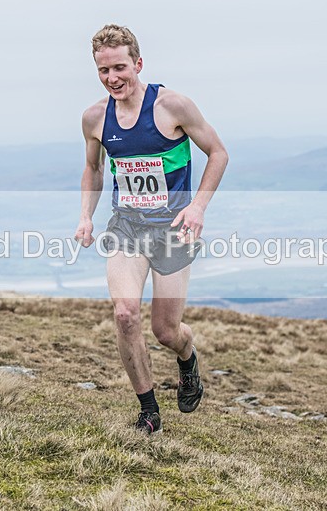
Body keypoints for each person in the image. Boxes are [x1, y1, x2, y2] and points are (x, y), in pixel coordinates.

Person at [74, 24, 229, 434]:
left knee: (165, 330)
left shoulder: (173, 106)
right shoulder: (95, 118)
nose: (113, 78)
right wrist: (86, 215)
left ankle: (188, 356)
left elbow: (218, 152)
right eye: (104, 71)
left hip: (174, 231)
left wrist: (198, 207)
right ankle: (148, 410)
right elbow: (93, 167)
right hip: (126, 228)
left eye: (120, 68)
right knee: (125, 313)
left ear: (138, 64)